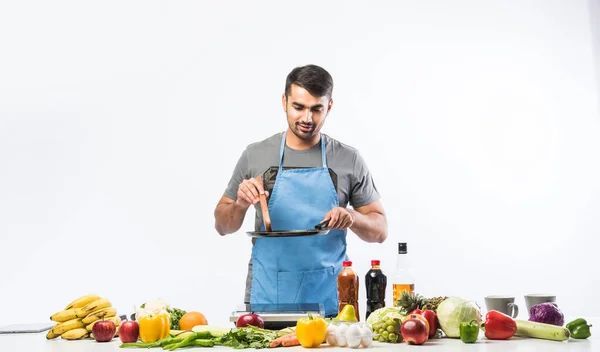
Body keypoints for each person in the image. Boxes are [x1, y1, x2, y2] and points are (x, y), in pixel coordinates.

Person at [214, 64, 388, 317]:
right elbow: (222, 226)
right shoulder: (255, 155)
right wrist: (240, 203)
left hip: (330, 300)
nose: (307, 118)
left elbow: (380, 232)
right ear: (284, 101)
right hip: (268, 297)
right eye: (299, 107)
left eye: (316, 109)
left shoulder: (348, 159)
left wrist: (351, 216)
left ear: (329, 106)